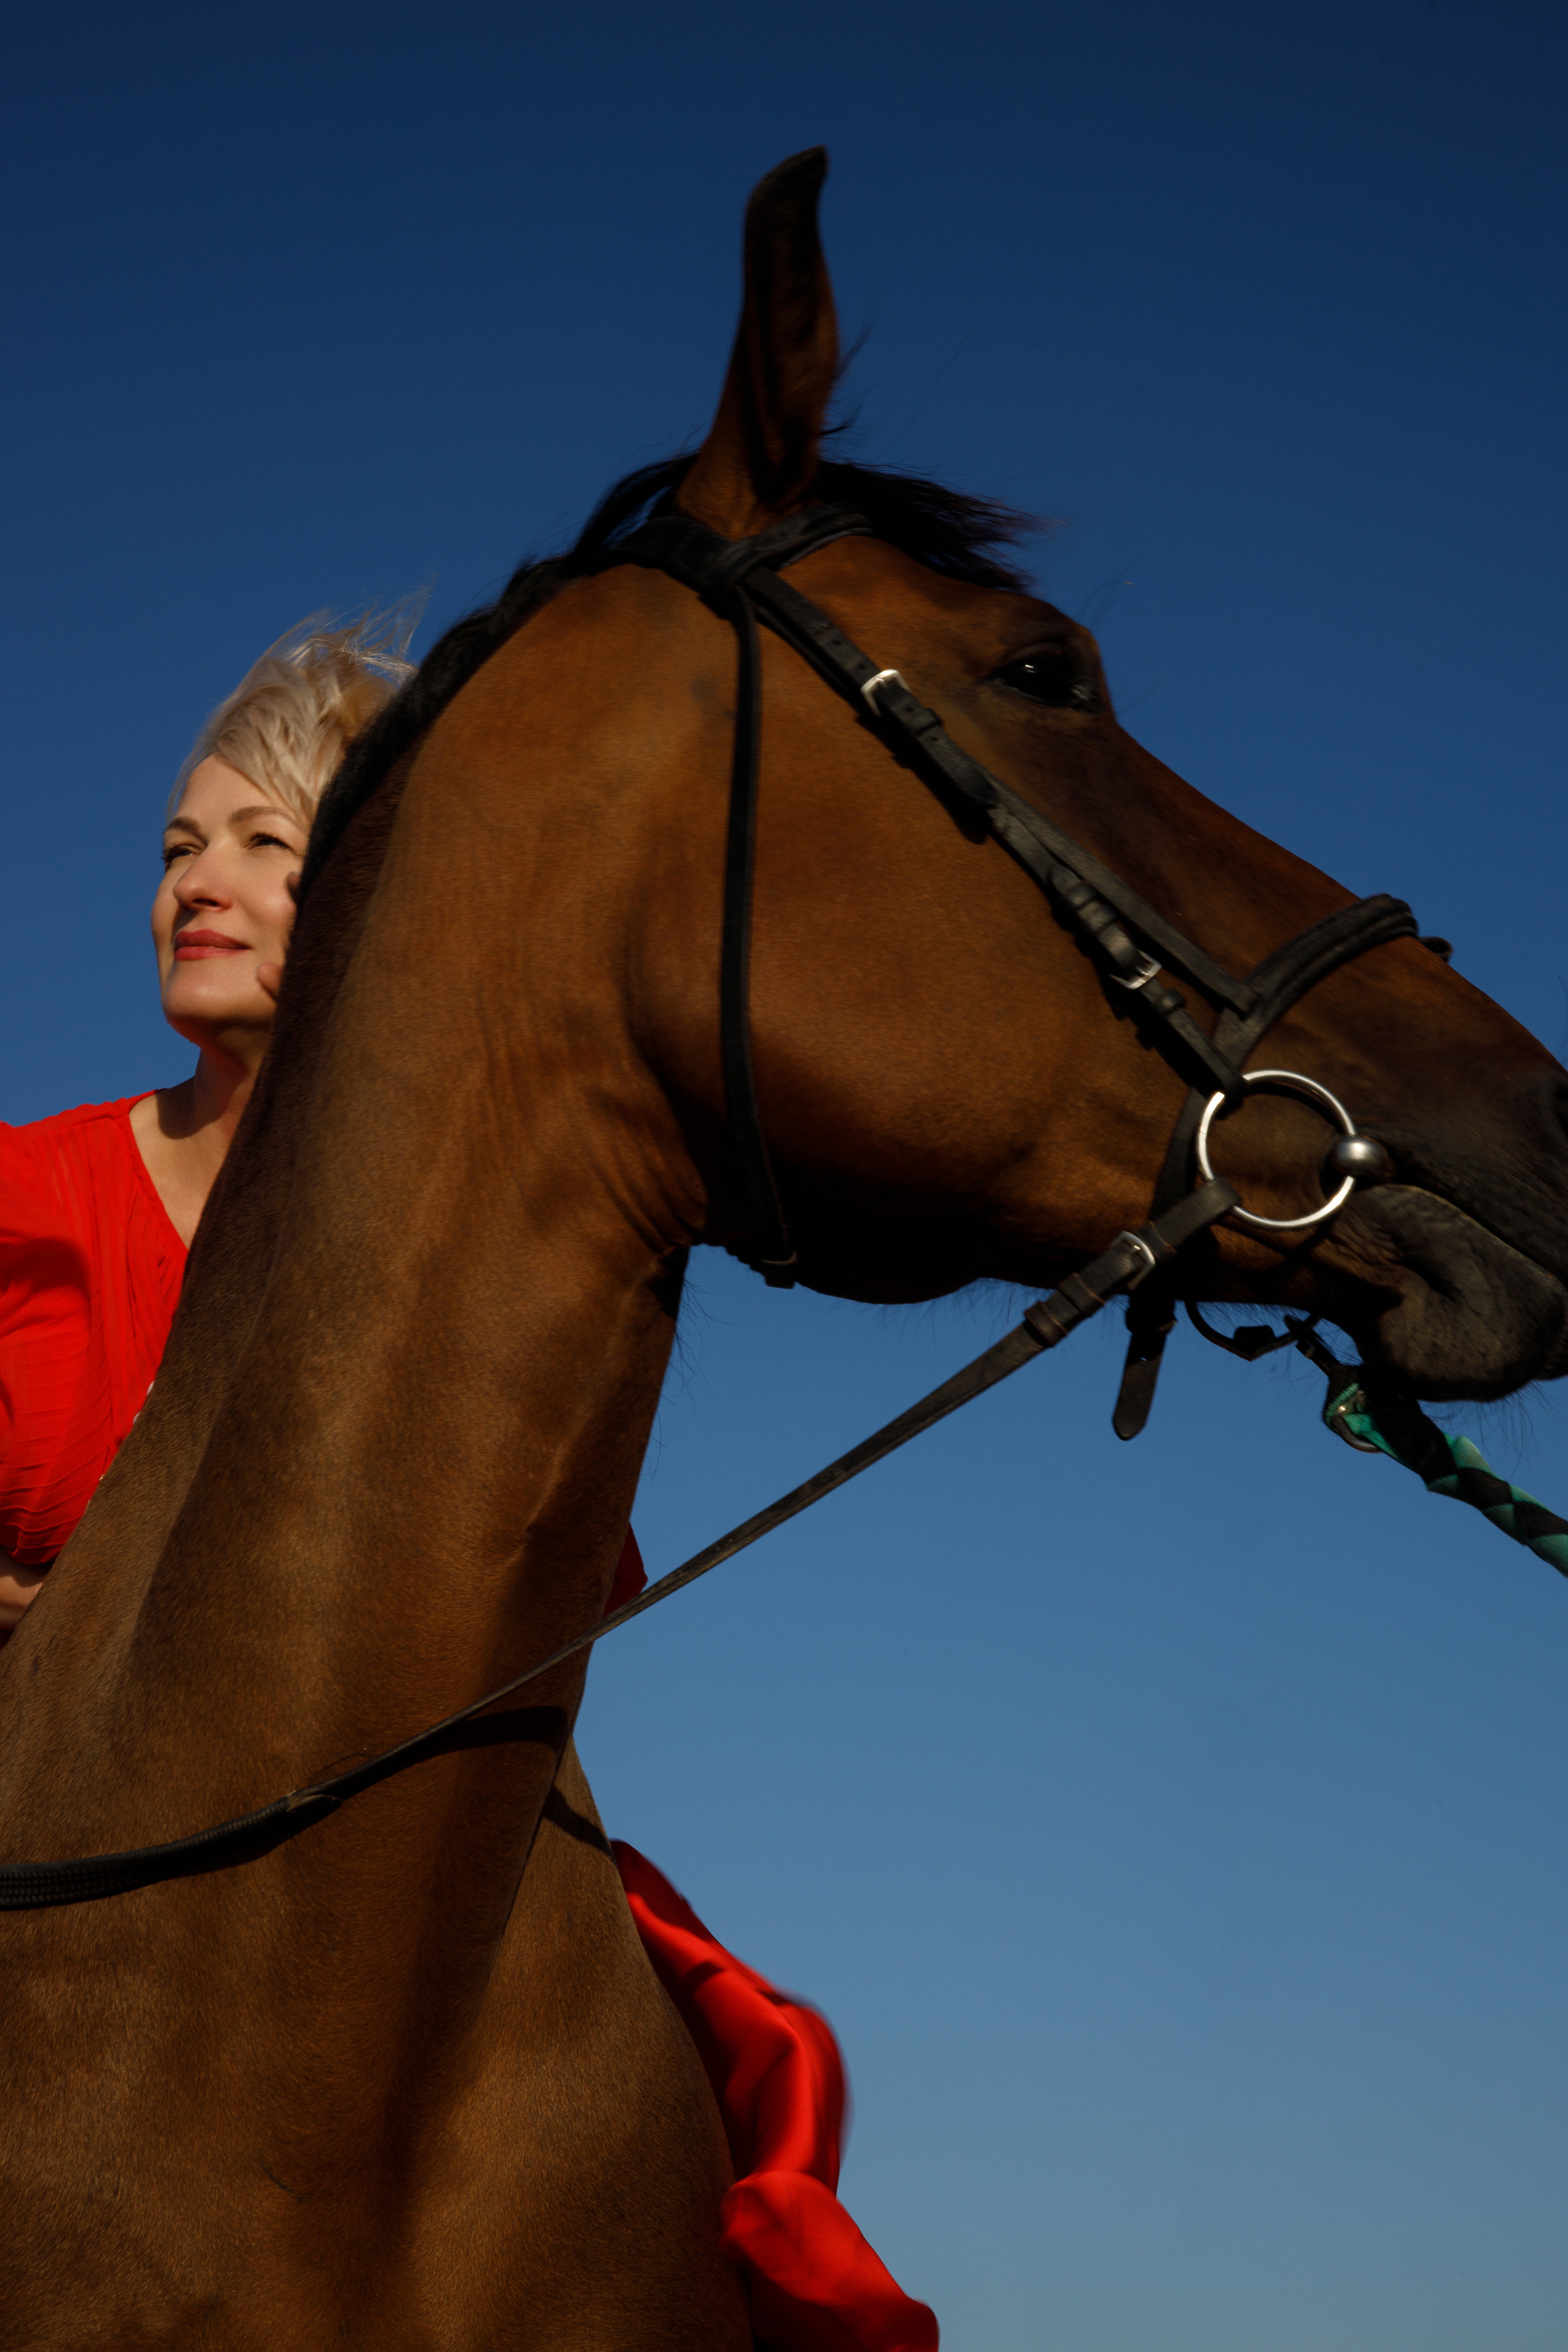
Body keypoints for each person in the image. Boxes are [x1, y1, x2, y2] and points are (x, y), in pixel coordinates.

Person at [0, 612, 934, 2349]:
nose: (195, 886)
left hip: (349, 1892)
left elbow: (520, 1612)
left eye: (265, 847)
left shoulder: (457, 1284)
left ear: (376, 894)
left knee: (697, 2075)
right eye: (177, 849)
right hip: (42, 1885)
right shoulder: (17, 1208)